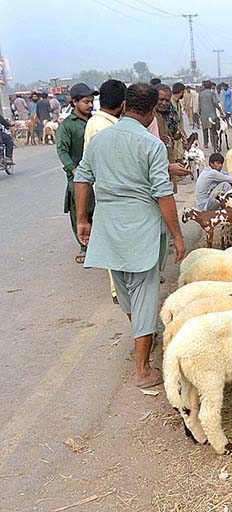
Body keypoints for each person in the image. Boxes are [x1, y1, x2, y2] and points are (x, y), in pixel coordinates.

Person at [74, 83, 186, 389]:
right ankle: (143, 370)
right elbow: (163, 194)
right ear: (151, 111)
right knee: (145, 295)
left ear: (124, 105)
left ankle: (140, 337)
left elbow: (81, 177)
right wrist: (177, 235)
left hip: (108, 228)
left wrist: (83, 219)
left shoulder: (100, 140)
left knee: (126, 293)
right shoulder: (152, 145)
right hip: (142, 229)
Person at [83, 79, 127, 303]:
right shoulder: (107, 128)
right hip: (113, 191)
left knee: (115, 239)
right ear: (123, 104)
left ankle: (118, 288)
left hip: (103, 188)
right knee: (118, 241)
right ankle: (118, 290)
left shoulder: (94, 122)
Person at [56, 83, 98, 264]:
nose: (90, 105)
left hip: (99, 174)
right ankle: (85, 247)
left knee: (98, 211)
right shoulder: (67, 126)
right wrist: (74, 169)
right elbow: (62, 150)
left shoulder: (95, 122)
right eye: (86, 101)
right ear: (74, 102)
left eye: (92, 101)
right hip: (79, 176)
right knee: (80, 211)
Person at [198, 80, 221, 149]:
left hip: (204, 114)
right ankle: (213, 143)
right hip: (212, 114)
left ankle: (205, 143)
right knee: (212, 129)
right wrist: (220, 109)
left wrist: (200, 112)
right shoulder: (212, 93)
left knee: (205, 129)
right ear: (211, 86)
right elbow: (215, 102)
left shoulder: (201, 94)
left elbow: (199, 104)